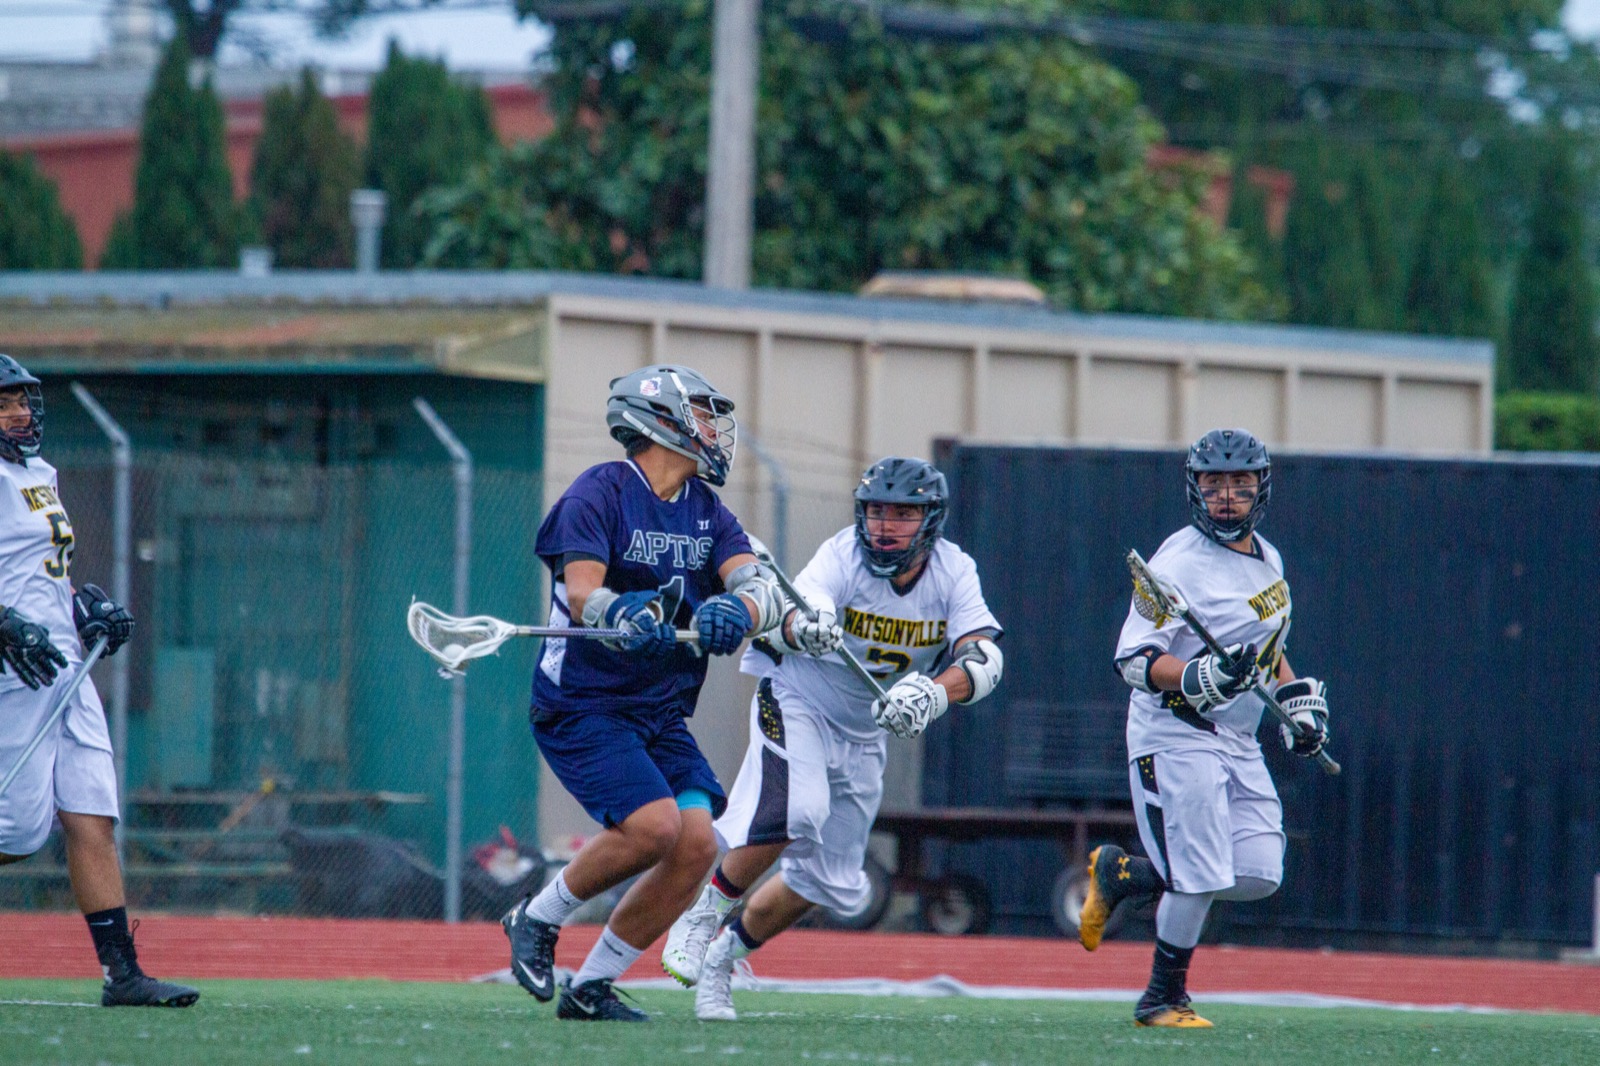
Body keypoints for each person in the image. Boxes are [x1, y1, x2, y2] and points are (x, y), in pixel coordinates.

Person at [661, 456, 1004, 1022]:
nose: (884, 525)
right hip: (799, 697)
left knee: (825, 884)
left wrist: (935, 694)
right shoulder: (842, 554)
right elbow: (794, 613)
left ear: (930, 520)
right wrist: (808, 626)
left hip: (865, 730)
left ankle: (723, 957)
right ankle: (700, 914)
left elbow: (984, 656)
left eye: (901, 513)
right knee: (799, 808)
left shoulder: (953, 570)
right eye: (875, 511)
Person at [501, 364, 787, 1022]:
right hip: (583, 704)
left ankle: (592, 987)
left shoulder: (708, 512)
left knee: (695, 846)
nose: (715, 428)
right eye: (702, 413)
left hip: (656, 710)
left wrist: (737, 615)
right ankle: (536, 917)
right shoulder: (599, 492)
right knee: (656, 827)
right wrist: (622, 615)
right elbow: (581, 593)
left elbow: (758, 586)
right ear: (662, 420)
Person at [1083, 427, 1330, 1028]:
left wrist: (1294, 705)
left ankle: (1125, 873)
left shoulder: (1268, 558)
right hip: (1177, 731)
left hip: (1239, 737)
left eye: (1238, 483)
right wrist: (1195, 675)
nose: (1225, 495)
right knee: (1196, 875)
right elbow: (1134, 661)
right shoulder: (1177, 564)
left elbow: (1270, 652)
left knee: (1258, 871)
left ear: (1259, 489)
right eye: (1213, 482)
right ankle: (1162, 998)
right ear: (1195, 487)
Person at [0, 355, 199, 1008]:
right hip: (15, 669)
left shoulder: (37, 472)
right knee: (18, 834)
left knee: (92, 817)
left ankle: (123, 974)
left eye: (24, 400)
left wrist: (83, 607)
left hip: (66, 664)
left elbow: (41, 570)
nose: (22, 412)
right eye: (6, 402)